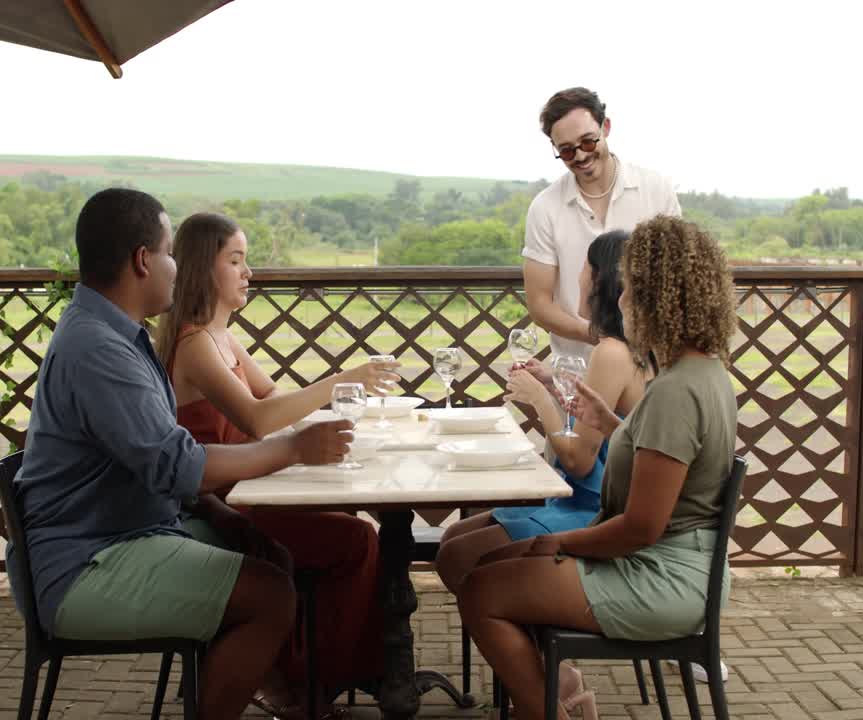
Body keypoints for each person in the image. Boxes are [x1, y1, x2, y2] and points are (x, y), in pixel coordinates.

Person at [6, 188, 353, 720]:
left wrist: (217, 512)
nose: (176, 266)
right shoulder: (99, 349)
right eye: (169, 252)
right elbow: (178, 464)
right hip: (84, 565)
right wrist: (293, 449)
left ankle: (293, 694)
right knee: (270, 596)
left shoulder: (113, 334)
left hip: (125, 533)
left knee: (268, 553)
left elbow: (157, 464)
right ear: (143, 262)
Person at [457, 215, 738, 720]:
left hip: (664, 580)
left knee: (483, 590)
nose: (622, 300)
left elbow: (640, 527)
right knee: (491, 567)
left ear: (656, 296)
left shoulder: (676, 392)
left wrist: (561, 542)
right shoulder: (703, 370)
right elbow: (664, 458)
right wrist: (613, 424)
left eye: (630, 289)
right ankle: (555, 702)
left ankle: (546, 711)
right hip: (679, 566)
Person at [151, 211, 401, 719]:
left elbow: (273, 399)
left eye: (247, 261)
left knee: (350, 524)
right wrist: (342, 380)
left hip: (246, 488)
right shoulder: (196, 343)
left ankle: (313, 672)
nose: (248, 273)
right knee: (358, 541)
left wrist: (331, 411)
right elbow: (260, 419)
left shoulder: (223, 338)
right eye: (236, 261)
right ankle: (310, 683)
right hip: (216, 506)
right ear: (204, 268)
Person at [522, 87, 681, 361]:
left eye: (587, 142)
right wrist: (602, 336)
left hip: (652, 366)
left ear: (605, 127)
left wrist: (635, 337)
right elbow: (539, 304)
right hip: (575, 372)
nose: (581, 156)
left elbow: (678, 278)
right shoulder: (545, 207)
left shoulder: (656, 189)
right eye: (568, 151)